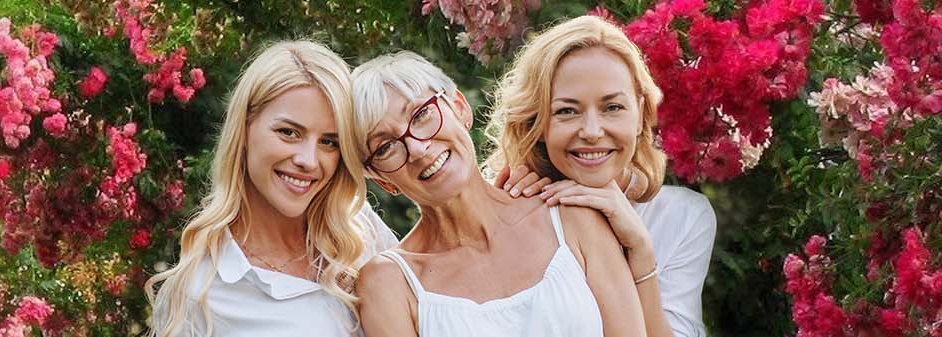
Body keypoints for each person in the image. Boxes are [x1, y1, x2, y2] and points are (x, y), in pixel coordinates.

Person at [344, 51, 669, 337]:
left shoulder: (572, 217)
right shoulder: (388, 285)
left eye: (421, 114)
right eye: (386, 147)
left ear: (460, 108)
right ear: (382, 180)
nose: (417, 148)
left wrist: (641, 250)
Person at [146, 40, 398, 337]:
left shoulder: (359, 229)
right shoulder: (198, 294)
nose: (308, 160)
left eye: (329, 142)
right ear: (246, 128)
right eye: (288, 133)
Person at [485, 16, 718, 337]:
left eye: (612, 107)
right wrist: (501, 230)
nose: (592, 132)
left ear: (640, 114)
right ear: (537, 124)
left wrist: (641, 252)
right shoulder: (519, 206)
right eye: (567, 111)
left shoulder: (683, 216)